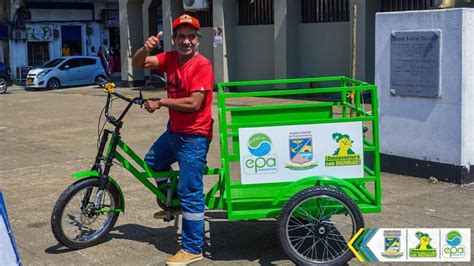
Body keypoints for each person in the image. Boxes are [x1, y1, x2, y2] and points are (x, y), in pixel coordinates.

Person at [132, 14, 214, 265]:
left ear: (197, 40)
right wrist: (145, 48)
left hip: (194, 136)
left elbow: (194, 103)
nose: (185, 41)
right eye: (181, 36)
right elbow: (138, 64)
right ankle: (173, 200)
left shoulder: (202, 65)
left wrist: (161, 101)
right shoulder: (170, 58)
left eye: (191, 36)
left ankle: (192, 248)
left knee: (192, 193)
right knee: (153, 161)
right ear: (175, 39)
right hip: (174, 131)